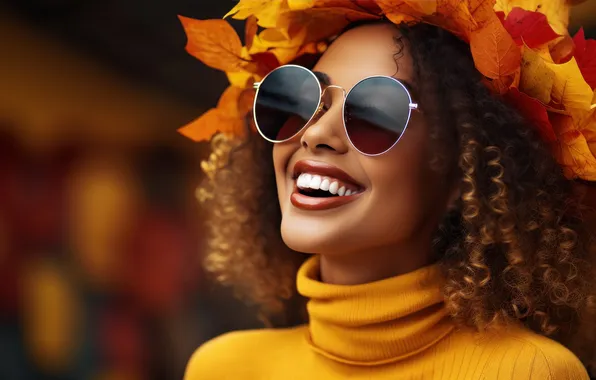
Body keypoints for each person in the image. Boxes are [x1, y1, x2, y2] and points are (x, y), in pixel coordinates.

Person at [179, 0, 596, 378]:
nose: (317, 132)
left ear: (463, 173)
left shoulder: (527, 372)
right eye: (302, 98)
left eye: (376, 113)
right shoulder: (223, 368)